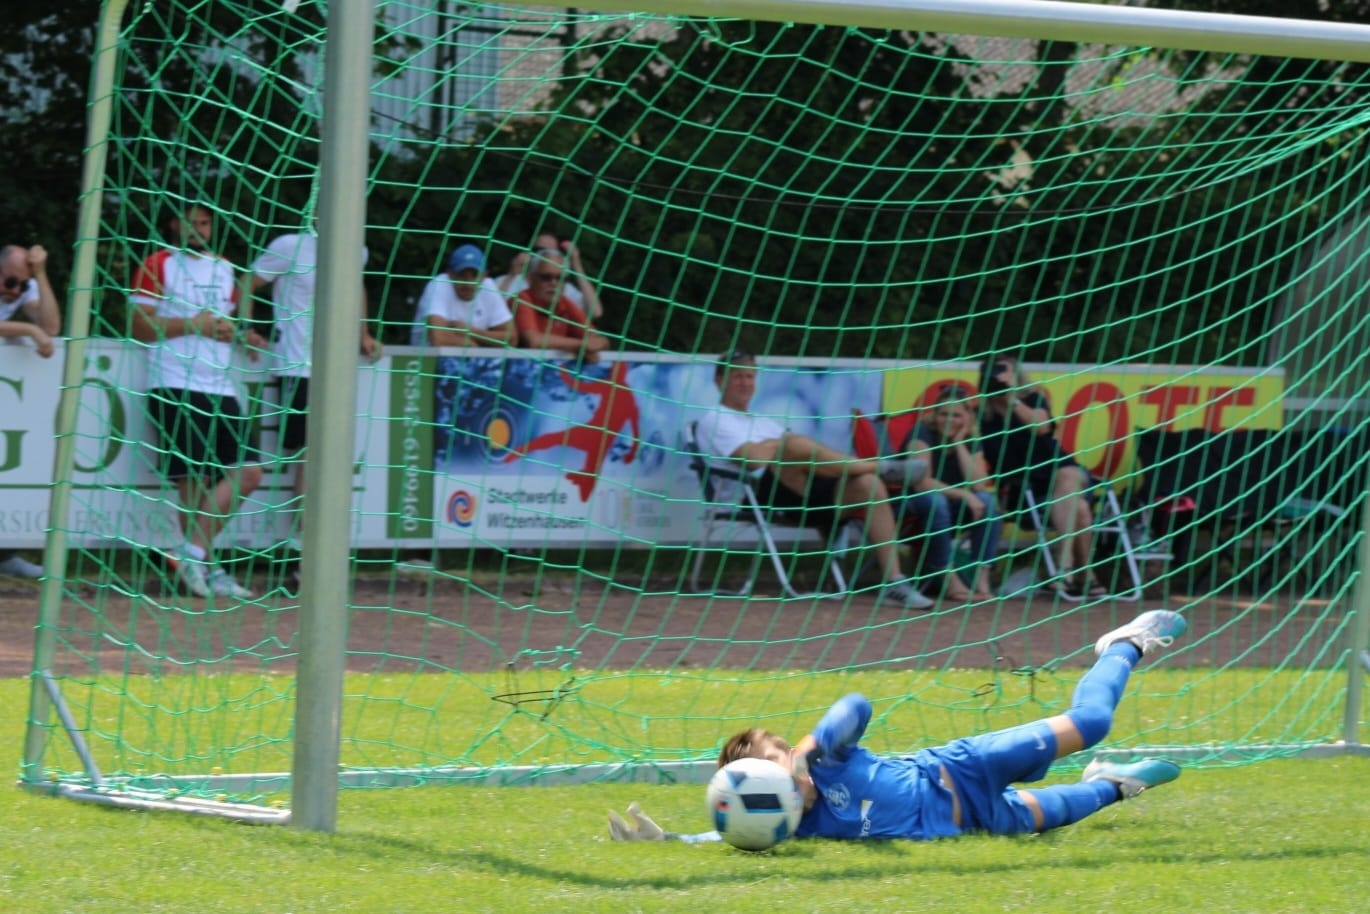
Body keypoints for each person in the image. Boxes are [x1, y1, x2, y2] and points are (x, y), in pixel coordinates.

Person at [610, 609, 1188, 844]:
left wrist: (810, 747)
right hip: (978, 821)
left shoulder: (827, 758)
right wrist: (672, 842)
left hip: (963, 768)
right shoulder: (791, 829)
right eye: (770, 767)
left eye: (778, 755)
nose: (783, 770)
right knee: (1078, 805)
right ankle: (1113, 782)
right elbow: (731, 830)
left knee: (1092, 721)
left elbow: (856, 705)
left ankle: (1124, 645)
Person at [695, 351, 934, 609]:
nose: (745, 383)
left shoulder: (761, 421)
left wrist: (776, 446)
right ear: (719, 380)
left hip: (799, 492)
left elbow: (793, 454)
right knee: (795, 445)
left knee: (869, 485)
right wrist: (781, 446)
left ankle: (894, 583)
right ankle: (879, 467)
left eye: (749, 377)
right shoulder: (714, 419)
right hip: (755, 496)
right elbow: (755, 460)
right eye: (737, 377)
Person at [128, 201, 267, 600]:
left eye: (205, 223)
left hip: (220, 384)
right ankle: (207, 566)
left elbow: (227, 322)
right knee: (194, 481)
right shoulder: (158, 263)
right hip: (174, 381)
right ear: (175, 225)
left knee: (249, 472)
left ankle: (190, 555)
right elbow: (138, 325)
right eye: (192, 222)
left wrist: (242, 335)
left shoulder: (224, 267)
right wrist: (194, 325)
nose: (199, 229)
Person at [248, 226, 380, 589]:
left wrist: (363, 333)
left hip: (338, 371)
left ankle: (309, 556)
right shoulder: (290, 246)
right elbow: (247, 284)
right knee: (310, 461)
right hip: (298, 368)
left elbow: (357, 286)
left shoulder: (356, 248)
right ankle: (303, 560)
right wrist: (246, 327)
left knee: (325, 462)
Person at [978, 355, 1104, 598]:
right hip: (1023, 491)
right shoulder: (982, 415)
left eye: (1004, 371)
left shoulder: (1033, 400)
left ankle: (1064, 568)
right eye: (993, 372)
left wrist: (1011, 397)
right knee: (1079, 509)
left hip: (1060, 474)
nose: (998, 376)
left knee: (1067, 474)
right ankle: (1085, 575)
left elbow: (1041, 427)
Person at [900, 385, 1004, 601]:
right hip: (910, 506)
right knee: (936, 502)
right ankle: (950, 581)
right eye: (943, 414)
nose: (948, 420)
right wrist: (964, 495)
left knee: (988, 502)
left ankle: (981, 581)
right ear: (934, 415)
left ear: (968, 418)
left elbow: (979, 485)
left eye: (956, 415)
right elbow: (921, 482)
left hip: (948, 509)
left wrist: (959, 443)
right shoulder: (921, 433)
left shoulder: (970, 438)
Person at [0, 243, 62, 579]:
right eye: (10, 282)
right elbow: (39, 331)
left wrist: (40, 274)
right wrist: (28, 329)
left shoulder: (23, 286)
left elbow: (51, 327)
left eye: (24, 285)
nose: (16, 292)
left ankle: (4, 554)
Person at [512, 249, 611, 364]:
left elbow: (598, 339)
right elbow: (534, 341)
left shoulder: (564, 302)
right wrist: (581, 345)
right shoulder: (521, 299)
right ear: (530, 278)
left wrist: (594, 345)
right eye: (546, 277)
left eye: (560, 278)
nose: (554, 283)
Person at [410, 244, 515, 347]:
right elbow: (438, 339)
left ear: (484, 276)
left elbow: (512, 339)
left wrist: (469, 331)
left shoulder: (488, 286)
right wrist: (472, 345)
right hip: (424, 356)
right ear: (450, 274)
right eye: (462, 275)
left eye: (474, 276)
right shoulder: (439, 284)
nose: (468, 283)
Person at [495, 229, 603, 322]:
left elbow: (595, 312)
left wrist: (576, 264)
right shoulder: (510, 280)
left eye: (551, 251)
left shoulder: (561, 286)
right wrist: (511, 275)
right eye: (538, 250)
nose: (543, 255)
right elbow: (491, 309)